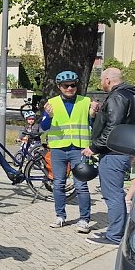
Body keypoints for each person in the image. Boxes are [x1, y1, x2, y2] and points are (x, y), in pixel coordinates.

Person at [82, 68, 135, 245]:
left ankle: (114, 235)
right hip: (120, 150)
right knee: (114, 193)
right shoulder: (126, 95)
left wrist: (94, 147)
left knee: (112, 194)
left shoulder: (117, 97)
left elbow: (112, 127)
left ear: (107, 79)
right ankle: (115, 231)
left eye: (101, 80)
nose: (100, 83)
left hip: (114, 152)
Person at [40, 70, 95, 233]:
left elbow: (94, 124)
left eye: (73, 85)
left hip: (79, 149)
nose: (70, 88)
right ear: (59, 87)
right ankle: (60, 216)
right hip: (58, 149)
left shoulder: (86, 102)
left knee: (81, 185)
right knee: (58, 184)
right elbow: (43, 127)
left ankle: (84, 219)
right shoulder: (52, 103)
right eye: (66, 86)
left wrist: (93, 115)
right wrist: (48, 116)